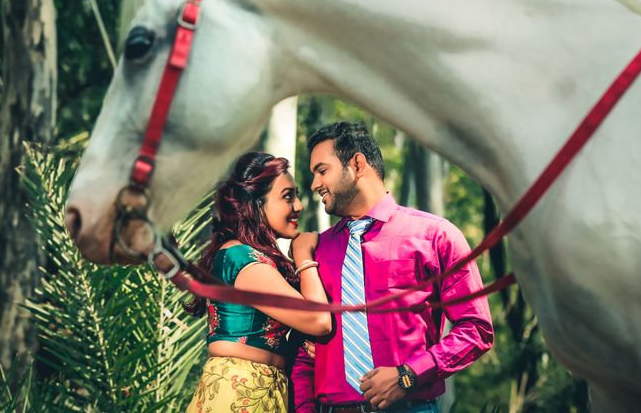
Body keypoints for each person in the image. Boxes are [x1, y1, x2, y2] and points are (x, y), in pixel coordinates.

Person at [290, 122, 494, 413]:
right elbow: (305, 350)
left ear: (357, 164)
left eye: (322, 171)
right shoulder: (316, 250)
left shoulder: (436, 236)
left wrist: (408, 375)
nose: (314, 185)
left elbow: (476, 330)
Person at [184, 151, 333, 413]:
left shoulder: (251, 257)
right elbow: (319, 321)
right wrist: (303, 256)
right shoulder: (244, 259)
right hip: (239, 392)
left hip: (255, 389)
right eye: (288, 197)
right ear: (255, 205)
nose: (298, 205)